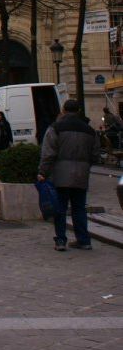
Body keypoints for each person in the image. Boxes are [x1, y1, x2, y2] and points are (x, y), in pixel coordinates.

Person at [38, 99, 101, 251]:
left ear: (64, 110)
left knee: (60, 208)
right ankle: (84, 240)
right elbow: (95, 154)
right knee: (79, 207)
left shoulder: (55, 128)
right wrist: (85, 165)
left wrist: (42, 171)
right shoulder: (89, 130)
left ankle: (60, 240)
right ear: (78, 110)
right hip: (81, 174)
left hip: (60, 174)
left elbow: (48, 152)